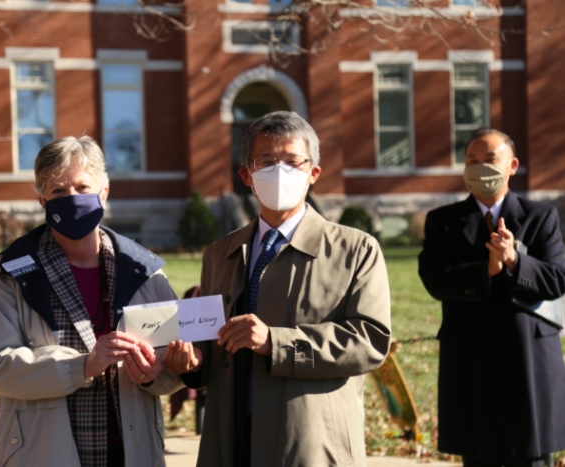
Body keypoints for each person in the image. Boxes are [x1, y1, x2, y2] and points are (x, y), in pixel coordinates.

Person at [165, 111, 392, 466]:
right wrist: (191, 364)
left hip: (308, 443)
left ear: (313, 173)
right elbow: (209, 343)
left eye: (292, 161)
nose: (279, 171)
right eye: (266, 162)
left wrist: (275, 342)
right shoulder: (219, 254)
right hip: (231, 440)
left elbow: (370, 342)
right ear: (247, 176)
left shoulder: (356, 250)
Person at [0, 136, 182, 467]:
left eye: (83, 187)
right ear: (42, 201)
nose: (72, 199)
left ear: (104, 192)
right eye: (58, 191)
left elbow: (172, 368)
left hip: (132, 452)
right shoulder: (10, 273)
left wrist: (154, 373)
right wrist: (83, 366)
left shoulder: (145, 270)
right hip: (42, 452)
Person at [418, 128, 565, 467]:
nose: (480, 167)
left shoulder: (541, 217)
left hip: (528, 358)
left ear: (511, 166)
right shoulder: (443, 222)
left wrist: (515, 261)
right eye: (472, 160)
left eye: (489, 160)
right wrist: (487, 270)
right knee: (478, 452)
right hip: (471, 355)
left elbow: (557, 279)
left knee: (531, 455)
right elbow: (435, 280)